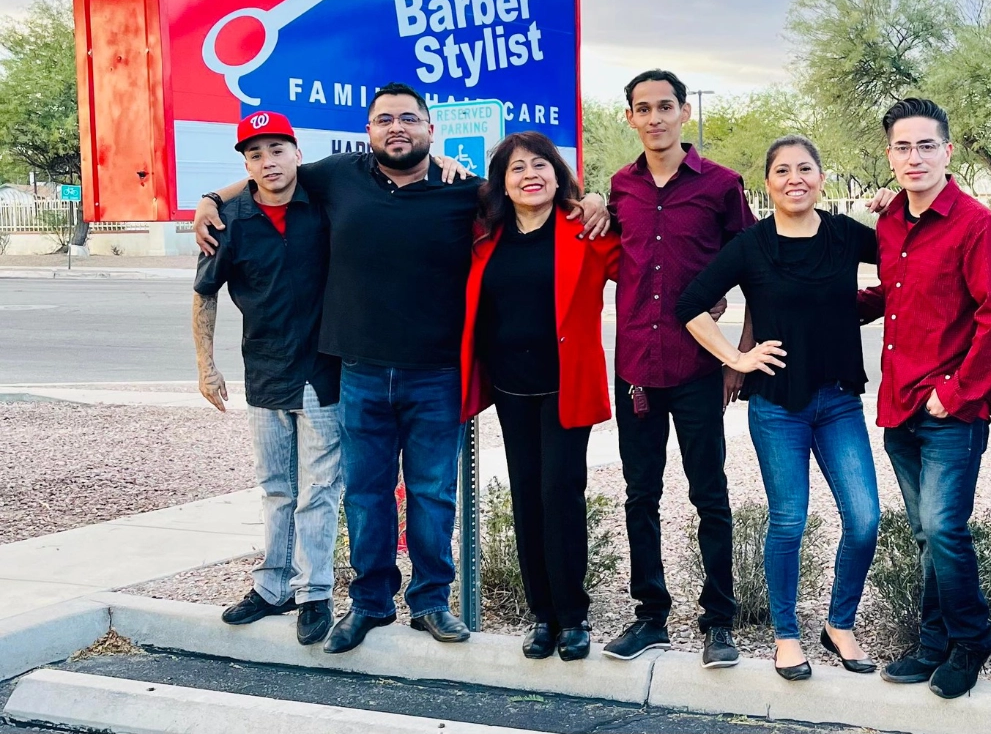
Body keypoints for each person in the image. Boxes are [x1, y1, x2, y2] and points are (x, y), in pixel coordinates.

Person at [194, 83, 608, 654]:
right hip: (360, 371)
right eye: (384, 119)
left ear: (430, 130)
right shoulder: (338, 175)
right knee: (366, 494)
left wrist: (592, 199)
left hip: (437, 373)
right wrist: (210, 199)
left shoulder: (465, 190)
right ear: (368, 131)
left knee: (432, 493)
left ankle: (432, 601)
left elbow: (534, 198)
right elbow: (272, 175)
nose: (396, 127)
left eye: (408, 118)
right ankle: (370, 603)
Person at [677, 136, 882, 681]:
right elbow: (689, 304)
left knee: (865, 519)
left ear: (821, 177)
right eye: (783, 171)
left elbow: (911, 254)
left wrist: (895, 208)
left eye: (805, 168)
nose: (796, 179)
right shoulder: (752, 245)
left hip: (838, 402)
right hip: (776, 407)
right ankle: (786, 635)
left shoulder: (844, 235)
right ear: (767, 183)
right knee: (789, 520)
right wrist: (736, 357)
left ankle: (840, 624)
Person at [862, 96, 991, 699]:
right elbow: (896, 293)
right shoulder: (890, 222)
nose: (915, 157)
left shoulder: (977, 225)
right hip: (898, 404)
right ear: (889, 155)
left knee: (943, 528)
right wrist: (821, 304)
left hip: (949, 410)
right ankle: (933, 644)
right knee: (925, 534)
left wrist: (956, 393)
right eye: (903, 147)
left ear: (948, 151)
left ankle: (970, 641)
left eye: (926, 145)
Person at [600, 70, 757, 669]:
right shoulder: (621, 188)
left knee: (709, 494)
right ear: (630, 118)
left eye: (665, 106)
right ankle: (650, 616)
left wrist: (737, 357)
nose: (655, 118)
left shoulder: (721, 185)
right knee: (640, 495)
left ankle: (719, 622)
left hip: (698, 366)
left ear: (684, 112)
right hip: (637, 367)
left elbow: (753, 270)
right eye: (643, 109)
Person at [458, 132, 620, 662]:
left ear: (557, 173)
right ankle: (542, 615)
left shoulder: (585, 228)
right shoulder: (486, 234)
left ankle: (572, 615)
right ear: (502, 183)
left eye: (540, 165)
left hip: (565, 387)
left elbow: (639, 267)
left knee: (560, 493)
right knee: (526, 495)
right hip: (510, 387)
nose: (530, 174)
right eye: (517, 168)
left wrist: (601, 201)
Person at [191, 112, 342, 647]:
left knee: (319, 489)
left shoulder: (325, 201)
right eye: (255, 154)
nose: (268, 161)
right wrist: (206, 366)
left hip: (324, 373)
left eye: (277, 149)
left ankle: (314, 592)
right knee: (277, 487)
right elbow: (204, 294)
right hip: (265, 373)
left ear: (297, 153)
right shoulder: (230, 221)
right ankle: (273, 587)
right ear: (246, 164)